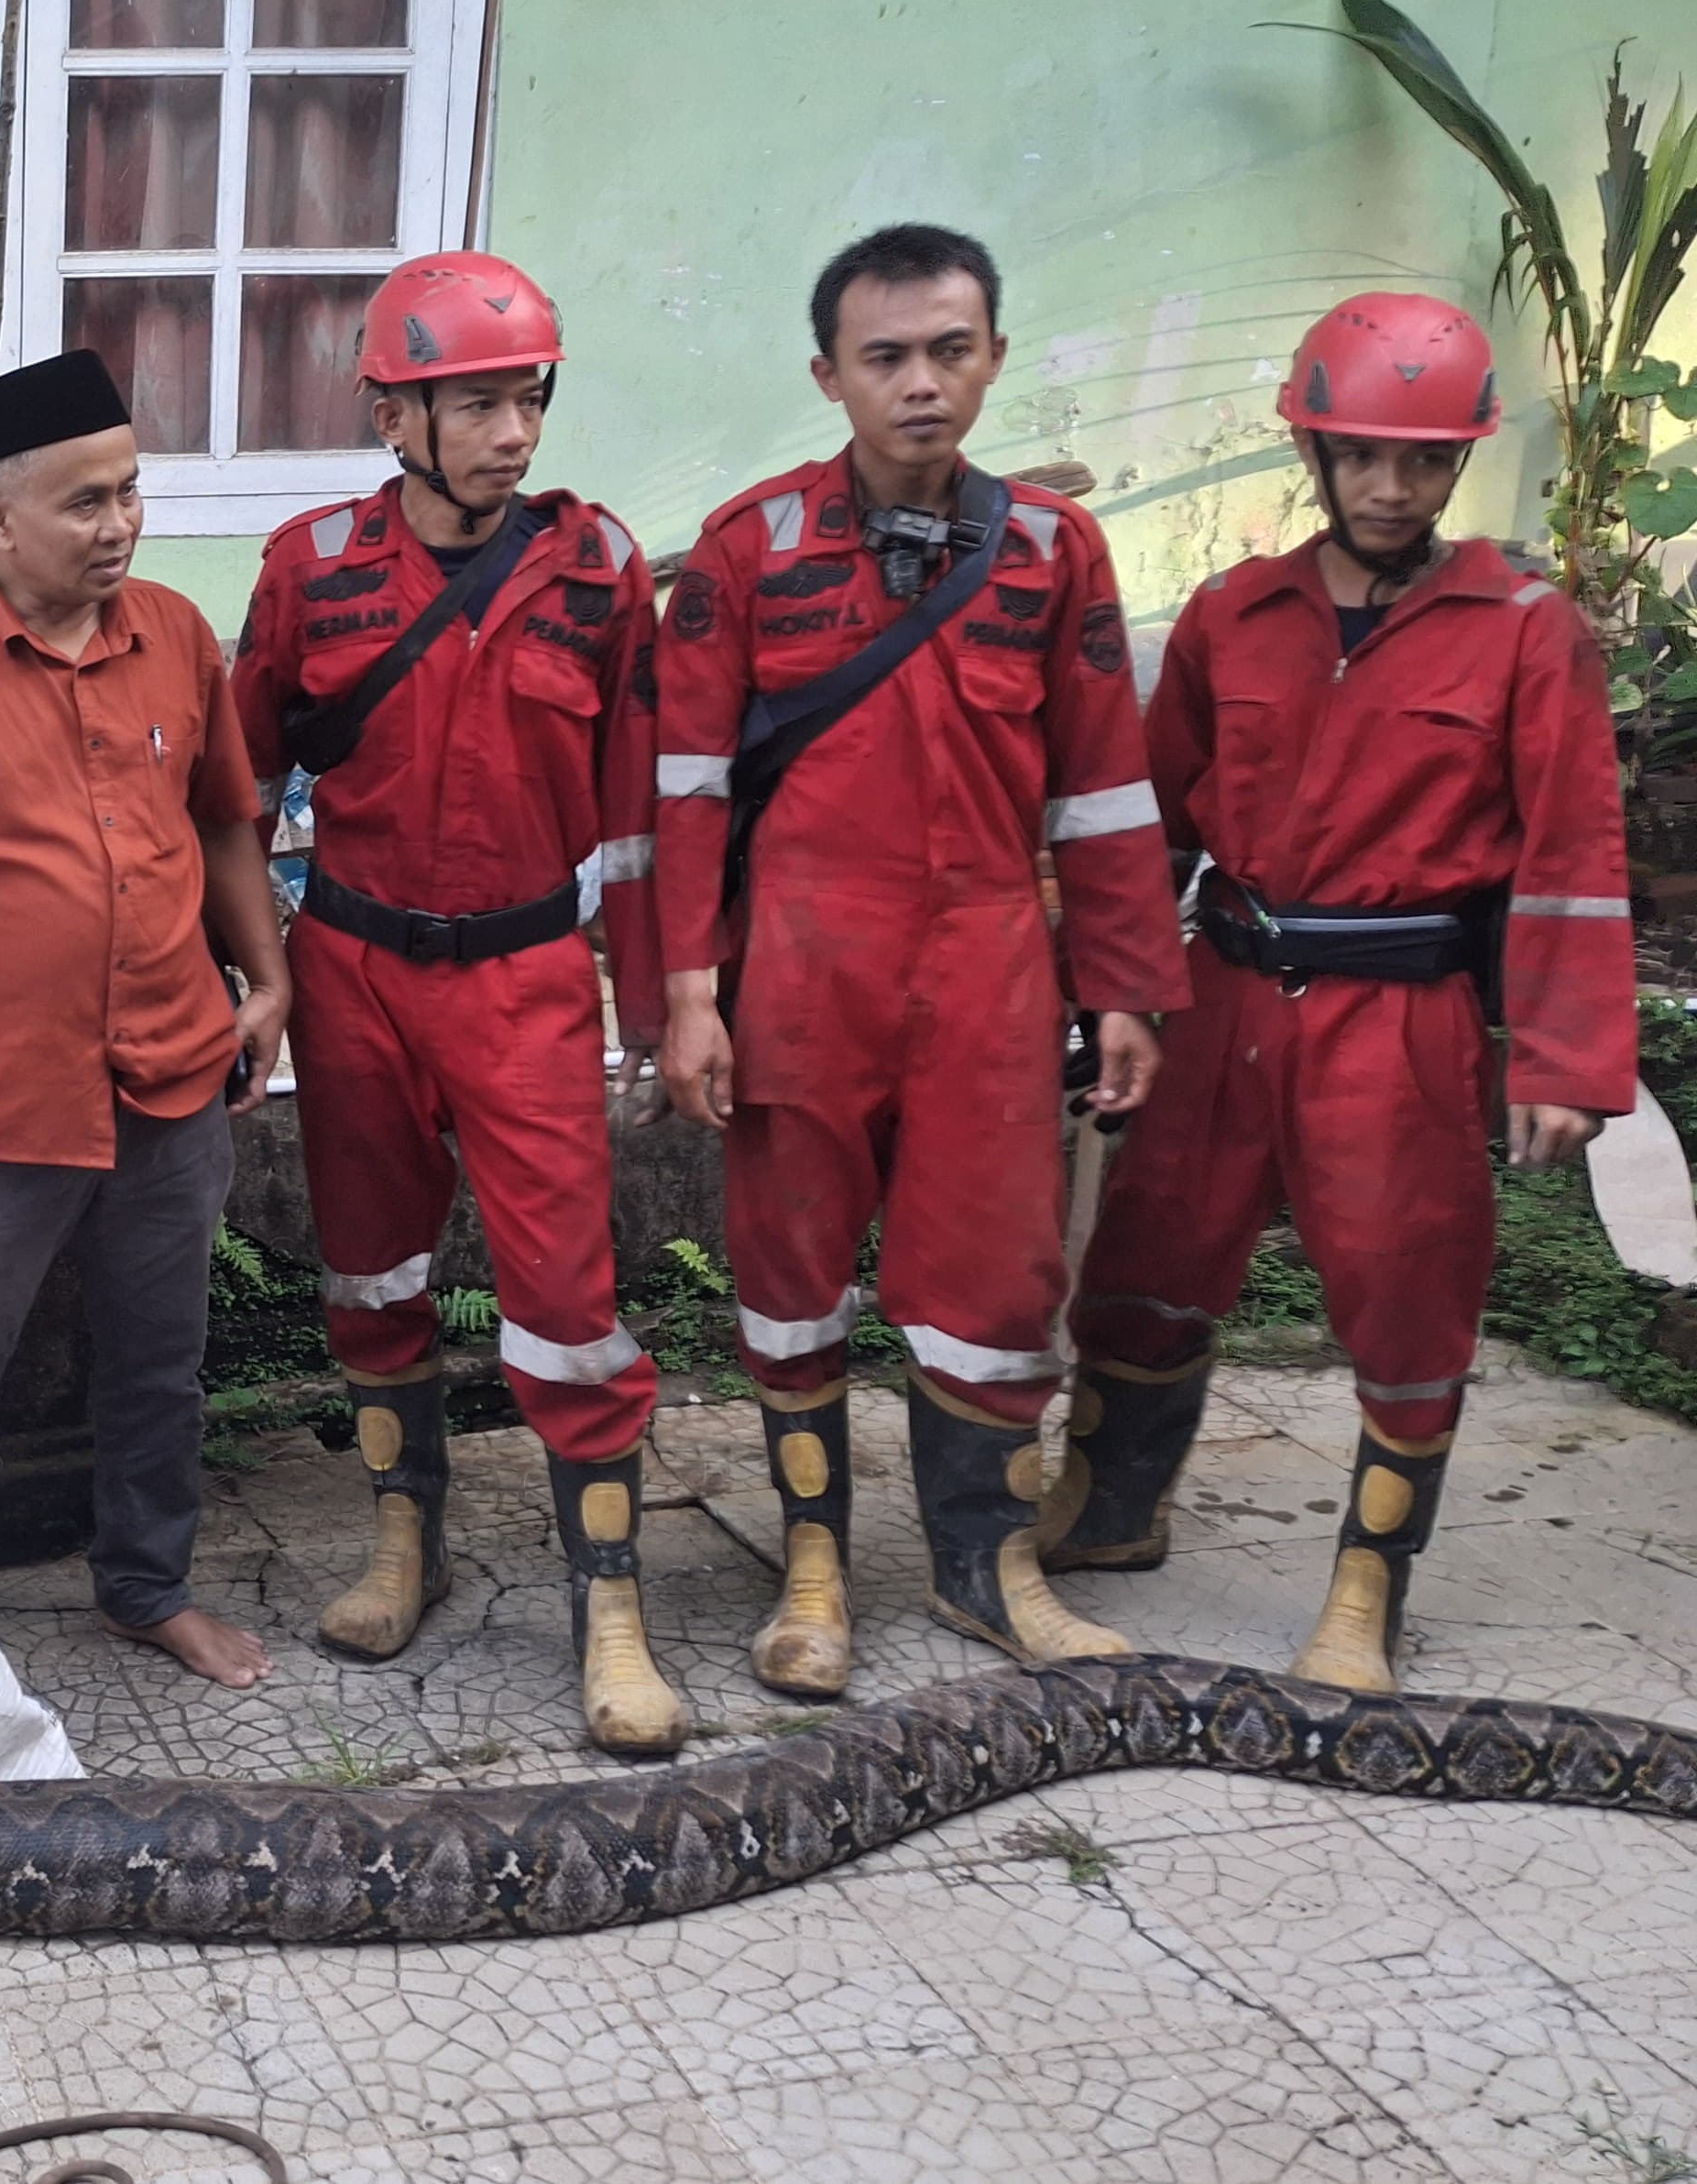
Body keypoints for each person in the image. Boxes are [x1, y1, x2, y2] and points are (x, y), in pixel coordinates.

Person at [1042, 294, 1631, 1689]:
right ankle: (1114, 1507)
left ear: (1457, 468)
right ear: (1313, 448)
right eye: (1362, 453)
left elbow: (1571, 857)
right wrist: (1112, 995)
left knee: (1408, 1288)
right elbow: (1146, 827)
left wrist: (1560, 1057)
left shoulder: (1525, 632)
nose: (1390, 486)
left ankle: (1367, 1589)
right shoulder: (1236, 616)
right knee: (1145, 1263)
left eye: (1424, 461)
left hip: (1401, 1015)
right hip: (1225, 995)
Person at [654, 224, 1187, 1687]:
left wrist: (1126, 983)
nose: (922, 385)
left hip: (989, 970)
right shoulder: (746, 550)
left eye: (952, 351)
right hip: (805, 964)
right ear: (829, 374)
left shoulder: (1050, 550)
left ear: (995, 358)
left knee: (997, 1276)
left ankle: (981, 1562)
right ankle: (814, 1568)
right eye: (886, 356)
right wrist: (689, 996)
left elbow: (1102, 787)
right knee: (788, 1264)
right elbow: (685, 788)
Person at [231, 254, 684, 1752]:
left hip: (526, 974)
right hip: (354, 971)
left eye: (527, 397)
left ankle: (607, 1603)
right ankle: (400, 1536)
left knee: (567, 1297)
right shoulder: (310, 569)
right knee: (369, 1273)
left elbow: (631, 816)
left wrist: (648, 1003)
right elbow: (235, 794)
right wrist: (259, 975)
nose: (512, 430)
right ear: (393, 411)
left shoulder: (602, 572)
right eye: (477, 401)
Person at [0, 347, 291, 1692]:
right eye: (87, 502)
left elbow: (224, 820)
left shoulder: (179, 637)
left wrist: (272, 977)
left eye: (131, 493)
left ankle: (147, 1586)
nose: (121, 525)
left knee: (161, 1360)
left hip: (173, 1075)